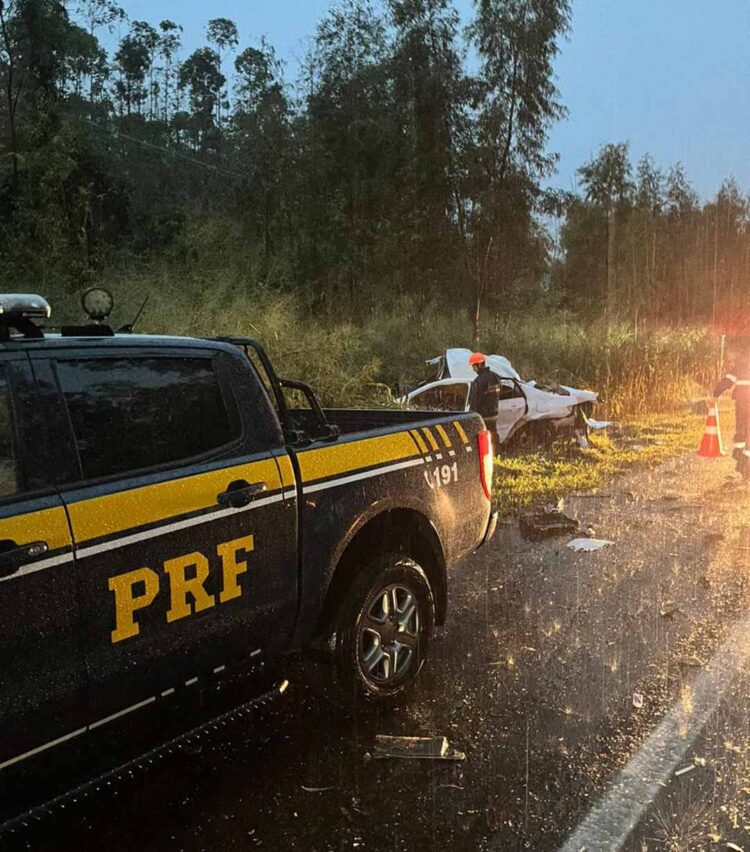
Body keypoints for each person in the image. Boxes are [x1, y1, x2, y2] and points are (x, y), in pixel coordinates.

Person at [712, 348, 750, 478]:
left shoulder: (740, 366)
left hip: (741, 402)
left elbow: (727, 381)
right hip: (744, 402)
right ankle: (744, 460)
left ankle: (740, 457)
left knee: (741, 428)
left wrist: (716, 394)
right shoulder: (741, 366)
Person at [467, 352, 501, 432]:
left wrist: (471, 417)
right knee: (493, 435)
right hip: (494, 415)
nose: (473, 369)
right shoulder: (495, 377)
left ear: (478, 365)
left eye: (473, 366)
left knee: (484, 439)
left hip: (483, 418)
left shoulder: (478, 381)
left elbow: (474, 402)